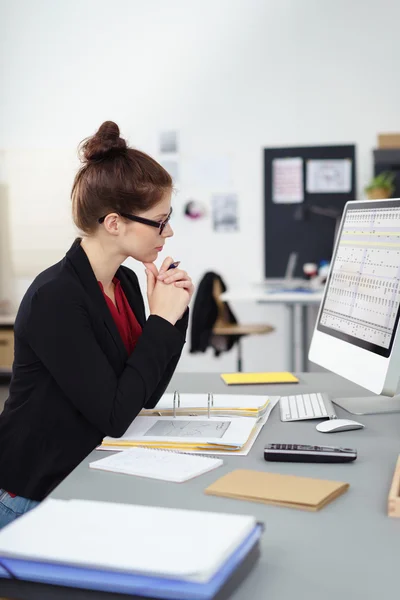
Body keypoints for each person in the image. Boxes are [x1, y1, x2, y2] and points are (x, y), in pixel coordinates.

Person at [0, 121, 194, 529]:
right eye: (159, 221)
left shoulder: (122, 281)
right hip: (32, 496)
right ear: (114, 223)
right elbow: (114, 415)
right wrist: (160, 319)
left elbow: (145, 393)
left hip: (81, 476)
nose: (169, 231)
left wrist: (173, 317)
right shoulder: (56, 297)